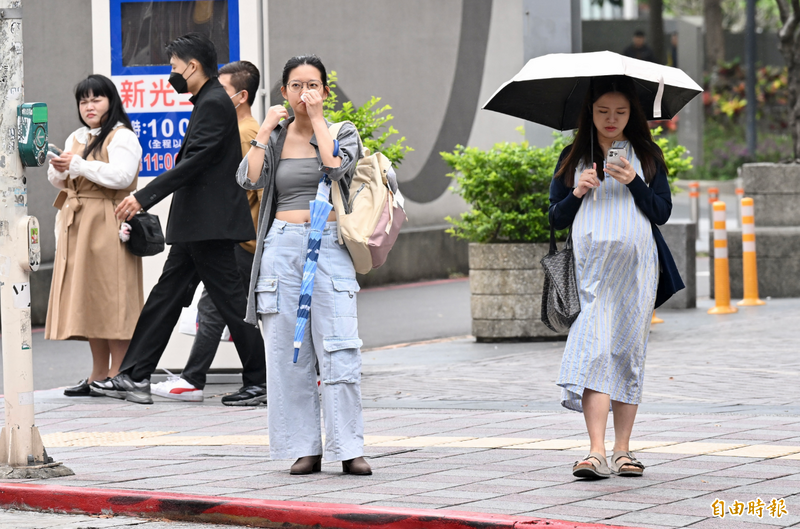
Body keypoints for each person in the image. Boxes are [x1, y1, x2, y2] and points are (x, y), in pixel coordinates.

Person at [90, 33, 266, 405]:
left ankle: (260, 380)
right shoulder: (210, 100)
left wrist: (143, 197)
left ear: (192, 66)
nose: (172, 74)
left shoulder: (215, 101)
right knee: (167, 297)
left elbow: (196, 160)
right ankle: (135, 375)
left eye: (174, 67)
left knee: (226, 302)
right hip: (199, 225)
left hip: (208, 225)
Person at [237, 55, 371, 476]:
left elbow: (335, 168)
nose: (304, 93)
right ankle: (303, 447)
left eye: (313, 85)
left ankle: (349, 448)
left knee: (338, 347)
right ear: (283, 92)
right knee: (285, 355)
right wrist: (261, 132)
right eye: (296, 86)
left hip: (329, 246)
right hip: (280, 249)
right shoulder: (274, 138)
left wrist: (317, 122)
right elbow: (249, 179)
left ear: (326, 92)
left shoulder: (342, 132)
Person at [549, 76, 683, 479]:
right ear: (589, 113)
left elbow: (661, 212)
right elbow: (554, 218)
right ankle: (595, 451)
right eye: (603, 111)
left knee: (627, 353)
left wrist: (634, 182)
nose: (611, 120)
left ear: (632, 115)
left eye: (620, 113)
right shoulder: (573, 156)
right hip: (592, 274)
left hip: (637, 272)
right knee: (595, 349)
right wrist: (576, 192)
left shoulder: (647, 154)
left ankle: (623, 451)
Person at [150, 60, 267, 406]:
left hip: (238, 240)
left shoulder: (246, 131)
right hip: (233, 237)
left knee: (218, 307)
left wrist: (259, 242)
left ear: (241, 96)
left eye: (223, 90)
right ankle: (198, 377)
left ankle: (197, 378)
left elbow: (256, 187)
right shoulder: (239, 128)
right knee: (218, 306)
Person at [46, 74, 143, 397]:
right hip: (80, 221)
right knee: (90, 299)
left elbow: (122, 176)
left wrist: (78, 165)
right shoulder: (78, 136)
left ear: (111, 101)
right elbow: (59, 179)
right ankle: (98, 373)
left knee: (113, 298)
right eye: (84, 100)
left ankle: (118, 373)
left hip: (109, 220)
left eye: (96, 99)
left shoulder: (122, 136)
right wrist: (61, 169)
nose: (89, 106)